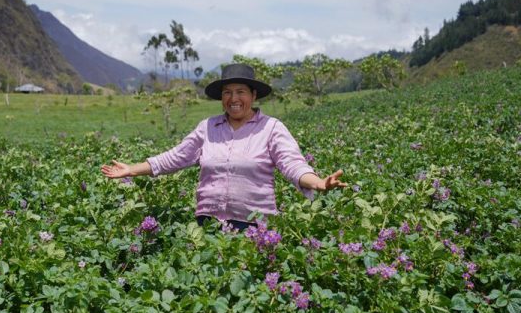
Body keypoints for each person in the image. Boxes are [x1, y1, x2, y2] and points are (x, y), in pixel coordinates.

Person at [100, 63, 347, 230]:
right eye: (227, 92)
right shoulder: (207, 127)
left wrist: (318, 183)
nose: (233, 98)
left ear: (253, 96)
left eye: (241, 91)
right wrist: (131, 170)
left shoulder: (271, 128)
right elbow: (175, 158)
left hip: (254, 226)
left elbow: (292, 163)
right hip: (208, 223)